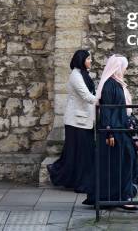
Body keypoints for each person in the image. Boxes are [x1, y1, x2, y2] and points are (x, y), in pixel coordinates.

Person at [84, 54, 138, 212]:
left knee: (124, 163)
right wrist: (109, 133)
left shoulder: (117, 84)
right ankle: (119, 198)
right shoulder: (110, 85)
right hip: (115, 133)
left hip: (120, 130)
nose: (126, 70)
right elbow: (107, 111)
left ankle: (118, 197)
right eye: (124, 67)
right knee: (118, 164)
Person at [47, 50, 96, 192]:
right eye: (88, 59)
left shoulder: (84, 74)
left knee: (82, 153)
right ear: (81, 60)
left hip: (84, 120)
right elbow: (86, 96)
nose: (90, 61)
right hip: (76, 122)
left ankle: (79, 180)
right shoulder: (76, 76)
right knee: (78, 153)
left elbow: (91, 93)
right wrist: (103, 100)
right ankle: (61, 173)